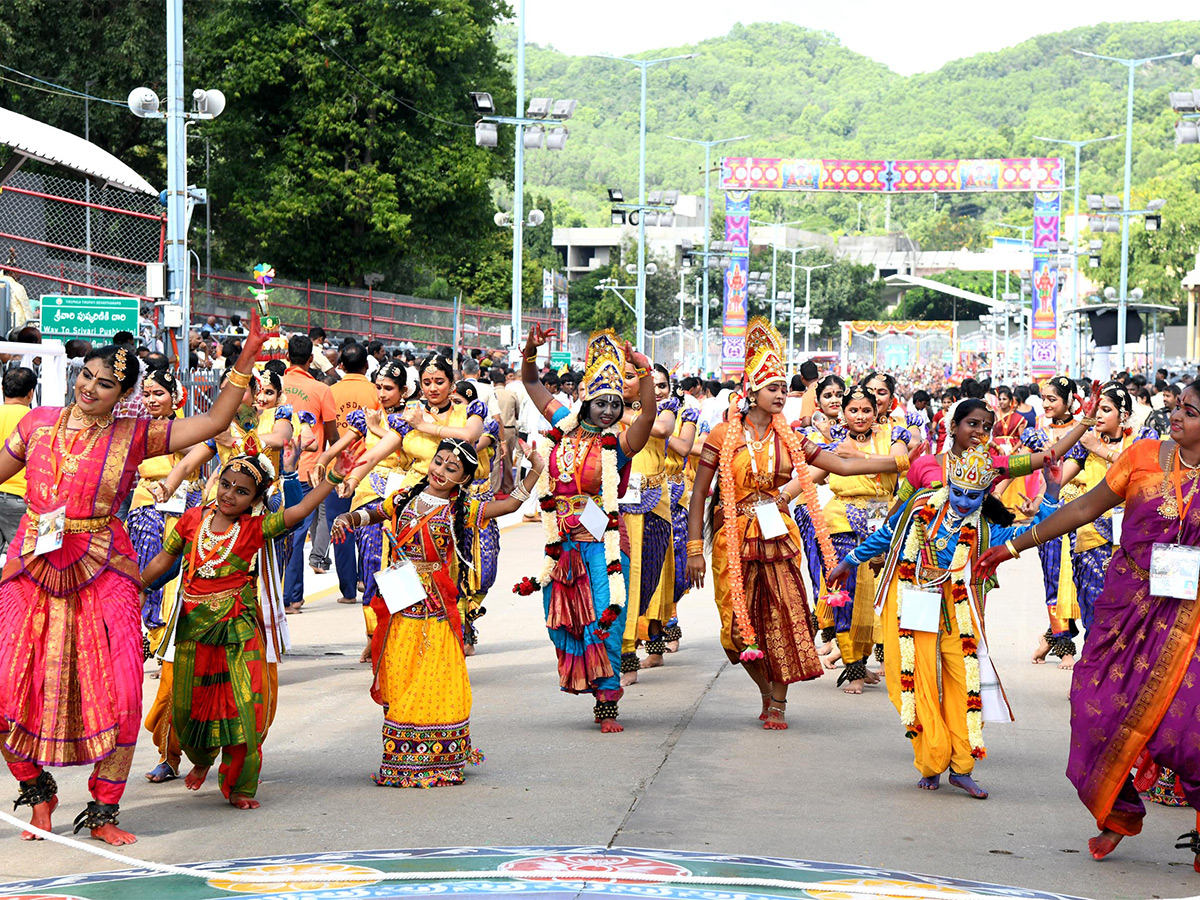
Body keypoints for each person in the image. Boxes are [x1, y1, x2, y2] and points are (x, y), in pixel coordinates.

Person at [0, 317, 266, 845]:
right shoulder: (36, 425)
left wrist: (247, 355)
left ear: (123, 394)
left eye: (105, 383)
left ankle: (103, 809)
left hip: (106, 569)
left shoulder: (135, 434)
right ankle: (38, 792)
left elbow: (214, 421)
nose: (90, 388)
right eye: (87, 376)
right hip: (31, 563)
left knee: (122, 694)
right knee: (9, 690)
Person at [976, 383, 1200, 870]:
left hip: (1191, 618)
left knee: (1183, 730)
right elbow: (1083, 507)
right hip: (1128, 603)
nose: (1178, 415)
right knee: (1093, 704)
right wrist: (1015, 546)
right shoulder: (1142, 455)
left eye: (1191, 411)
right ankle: (1117, 812)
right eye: (1178, 405)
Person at [686, 319, 904, 730]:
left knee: (785, 617)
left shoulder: (789, 437)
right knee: (736, 629)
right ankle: (765, 692)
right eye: (773, 388)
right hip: (731, 538)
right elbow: (700, 493)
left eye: (784, 388)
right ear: (751, 391)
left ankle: (778, 703)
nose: (781, 394)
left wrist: (902, 462)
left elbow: (840, 463)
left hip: (778, 538)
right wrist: (694, 548)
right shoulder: (720, 435)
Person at [828, 446, 1063, 799]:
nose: (964, 501)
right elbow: (887, 534)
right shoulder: (921, 508)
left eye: (973, 496)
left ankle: (961, 768)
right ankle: (931, 761)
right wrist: (850, 560)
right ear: (948, 485)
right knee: (911, 681)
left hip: (959, 614)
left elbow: (1036, 532)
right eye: (958, 492)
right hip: (915, 606)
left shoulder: (986, 530)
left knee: (964, 684)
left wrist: (1053, 492)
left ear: (985, 495)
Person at [139, 446, 353, 809]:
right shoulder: (192, 520)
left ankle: (239, 785)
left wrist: (332, 477)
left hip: (238, 629)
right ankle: (202, 759)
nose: (229, 494)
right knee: (189, 707)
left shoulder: (256, 528)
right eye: (226, 484)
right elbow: (163, 559)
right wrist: (132, 586)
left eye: (241, 491)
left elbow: (299, 512)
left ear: (256, 498)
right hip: (193, 630)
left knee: (244, 706)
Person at [332, 439, 541, 785]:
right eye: (439, 461)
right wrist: (348, 517)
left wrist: (535, 470)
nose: (440, 470)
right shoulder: (404, 498)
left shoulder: (462, 510)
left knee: (433, 676)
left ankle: (437, 757)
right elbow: (373, 512)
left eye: (451, 468)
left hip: (434, 608)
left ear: (462, 480)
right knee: (399, 674)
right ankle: (401, 755)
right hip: (399, 606)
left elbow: (508, 506)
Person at [514, 326, 657, 733]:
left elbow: (647, 413)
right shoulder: (562, 421)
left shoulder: (621, 443)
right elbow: (529, 381)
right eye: (600, 403)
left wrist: (643, 371)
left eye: (615, 403)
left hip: (604, 545)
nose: (608, 411)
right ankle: (586, 679)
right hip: (563, 544)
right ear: (585, 400)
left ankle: (607, 699)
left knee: (605, 619)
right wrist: (530, 350)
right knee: (557, 618)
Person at [814, 385, 909, 694]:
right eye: (853, 410)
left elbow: (901, 464)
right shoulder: (834, 445)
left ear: (876, 411)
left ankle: (863, 660)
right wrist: (783, 495)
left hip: (881, 523)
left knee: (872, 599)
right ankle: (852, 668)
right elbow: (812, 475)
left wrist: (858, 455)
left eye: (866, 410)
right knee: (846, 595)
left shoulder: (893, 438)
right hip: (841, 521)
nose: (860, 416)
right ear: (843, 413)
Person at [618, 357, 678, 682]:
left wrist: (623, 413)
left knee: (649, 581)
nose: (635, 383)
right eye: (628, 377)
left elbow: (662, 429)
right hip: (616, 507)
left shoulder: (667, 408)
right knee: (620, 581)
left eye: (636, 377)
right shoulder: (600, 411)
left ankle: (651, 641)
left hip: (654, 504)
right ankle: (625, 655)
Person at [281, 335, 339, 611]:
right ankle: (291, 598)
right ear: (311, 360)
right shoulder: (320, 390)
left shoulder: (273, 385)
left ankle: (275, 596)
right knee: (295, 532)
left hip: (272, 469)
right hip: (306, 472)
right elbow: (332, 433)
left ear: (287, 355)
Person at [327, 342, 381, 605]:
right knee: (369, 527)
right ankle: (366, 578)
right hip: (370, 470)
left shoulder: (330, 391)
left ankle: (348, 590)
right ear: (367, 365)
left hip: (337, 470)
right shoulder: (377, 392)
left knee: (340, 528)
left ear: (341, 366)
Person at [0, 367, 35, 555]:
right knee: (23, 560)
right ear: (31, 393)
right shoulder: (34, 420)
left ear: (2, 388)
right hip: (19, 498)